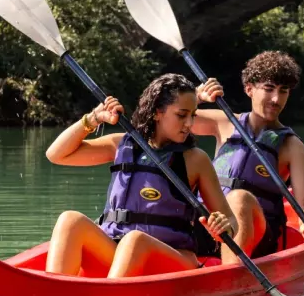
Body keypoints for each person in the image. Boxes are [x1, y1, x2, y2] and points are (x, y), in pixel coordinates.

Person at [44, 73, 236, 278]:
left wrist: (225, 228)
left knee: (136, 240)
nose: (189, 124)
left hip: (173, 260)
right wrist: (93, 119)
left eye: (193, 115)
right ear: (156, 113)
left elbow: (231, 220)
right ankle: (53, 295)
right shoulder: (120, 145)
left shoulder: (196, 159)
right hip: (118, 251)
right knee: (70, 220)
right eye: (181, 115)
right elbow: (56, 155)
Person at [192, 51, 304, 259]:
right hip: (210, 224)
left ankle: (232, 277)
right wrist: (197, 96)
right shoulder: (224, 123)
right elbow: (168, 120)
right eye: (269, 89)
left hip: (258, 234)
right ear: (249, 89)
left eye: (283, 91)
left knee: (240, 198)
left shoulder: (292, 146)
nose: (276, 99)